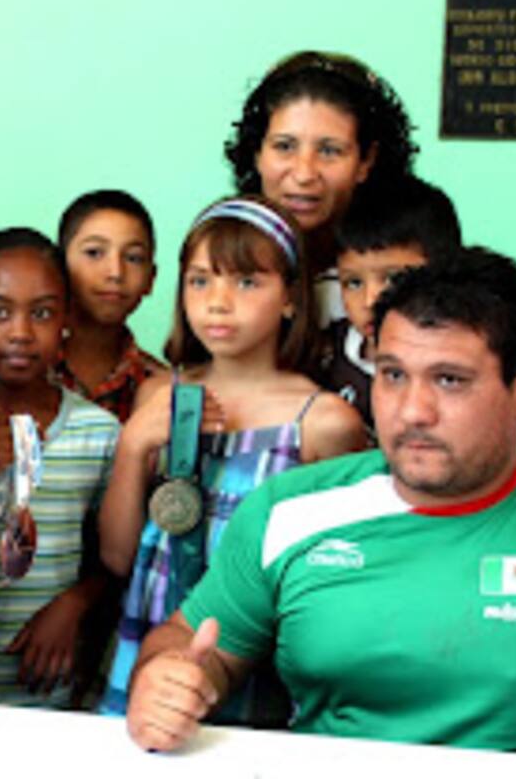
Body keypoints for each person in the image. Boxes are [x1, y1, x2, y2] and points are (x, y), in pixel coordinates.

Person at [125, 247, 516, 758]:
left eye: (449, 380)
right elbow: (189, 643)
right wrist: (168, 681)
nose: (413, 411)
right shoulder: (290, 509)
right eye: (393, 375)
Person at [97, 196, 366, 720]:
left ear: (290, 297)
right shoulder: (160, 394)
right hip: (152, 641)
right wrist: (133, 445)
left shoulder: (322, 422)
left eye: (246, 282)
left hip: (256, 656)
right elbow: (118, 557)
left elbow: (329, 577)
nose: (218, 302)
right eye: (200, 281)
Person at [0, 227, 120, 708]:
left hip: (49, 691)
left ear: (66, 318)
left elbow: (115, 557)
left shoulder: (97, 432)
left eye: (41, 313)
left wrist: (75, 605)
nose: (20, 332)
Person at [224, 51, 418, 327]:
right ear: (257, 153)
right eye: (284, 146)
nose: (304, 174)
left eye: (329, 151)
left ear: (366, 160)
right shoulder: (221, 250)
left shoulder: (406, 257)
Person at [323, 174, 462, 427]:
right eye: (353, 283)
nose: (370, 300)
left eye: (393, 279)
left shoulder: (459, 362)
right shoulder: (327, 352)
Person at [53, 189, 164, 422]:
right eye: (94, 253)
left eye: (133, 258)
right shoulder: (27, 368)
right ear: (58, 267)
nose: (115, 272)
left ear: (150, 279)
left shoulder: (161, 389)